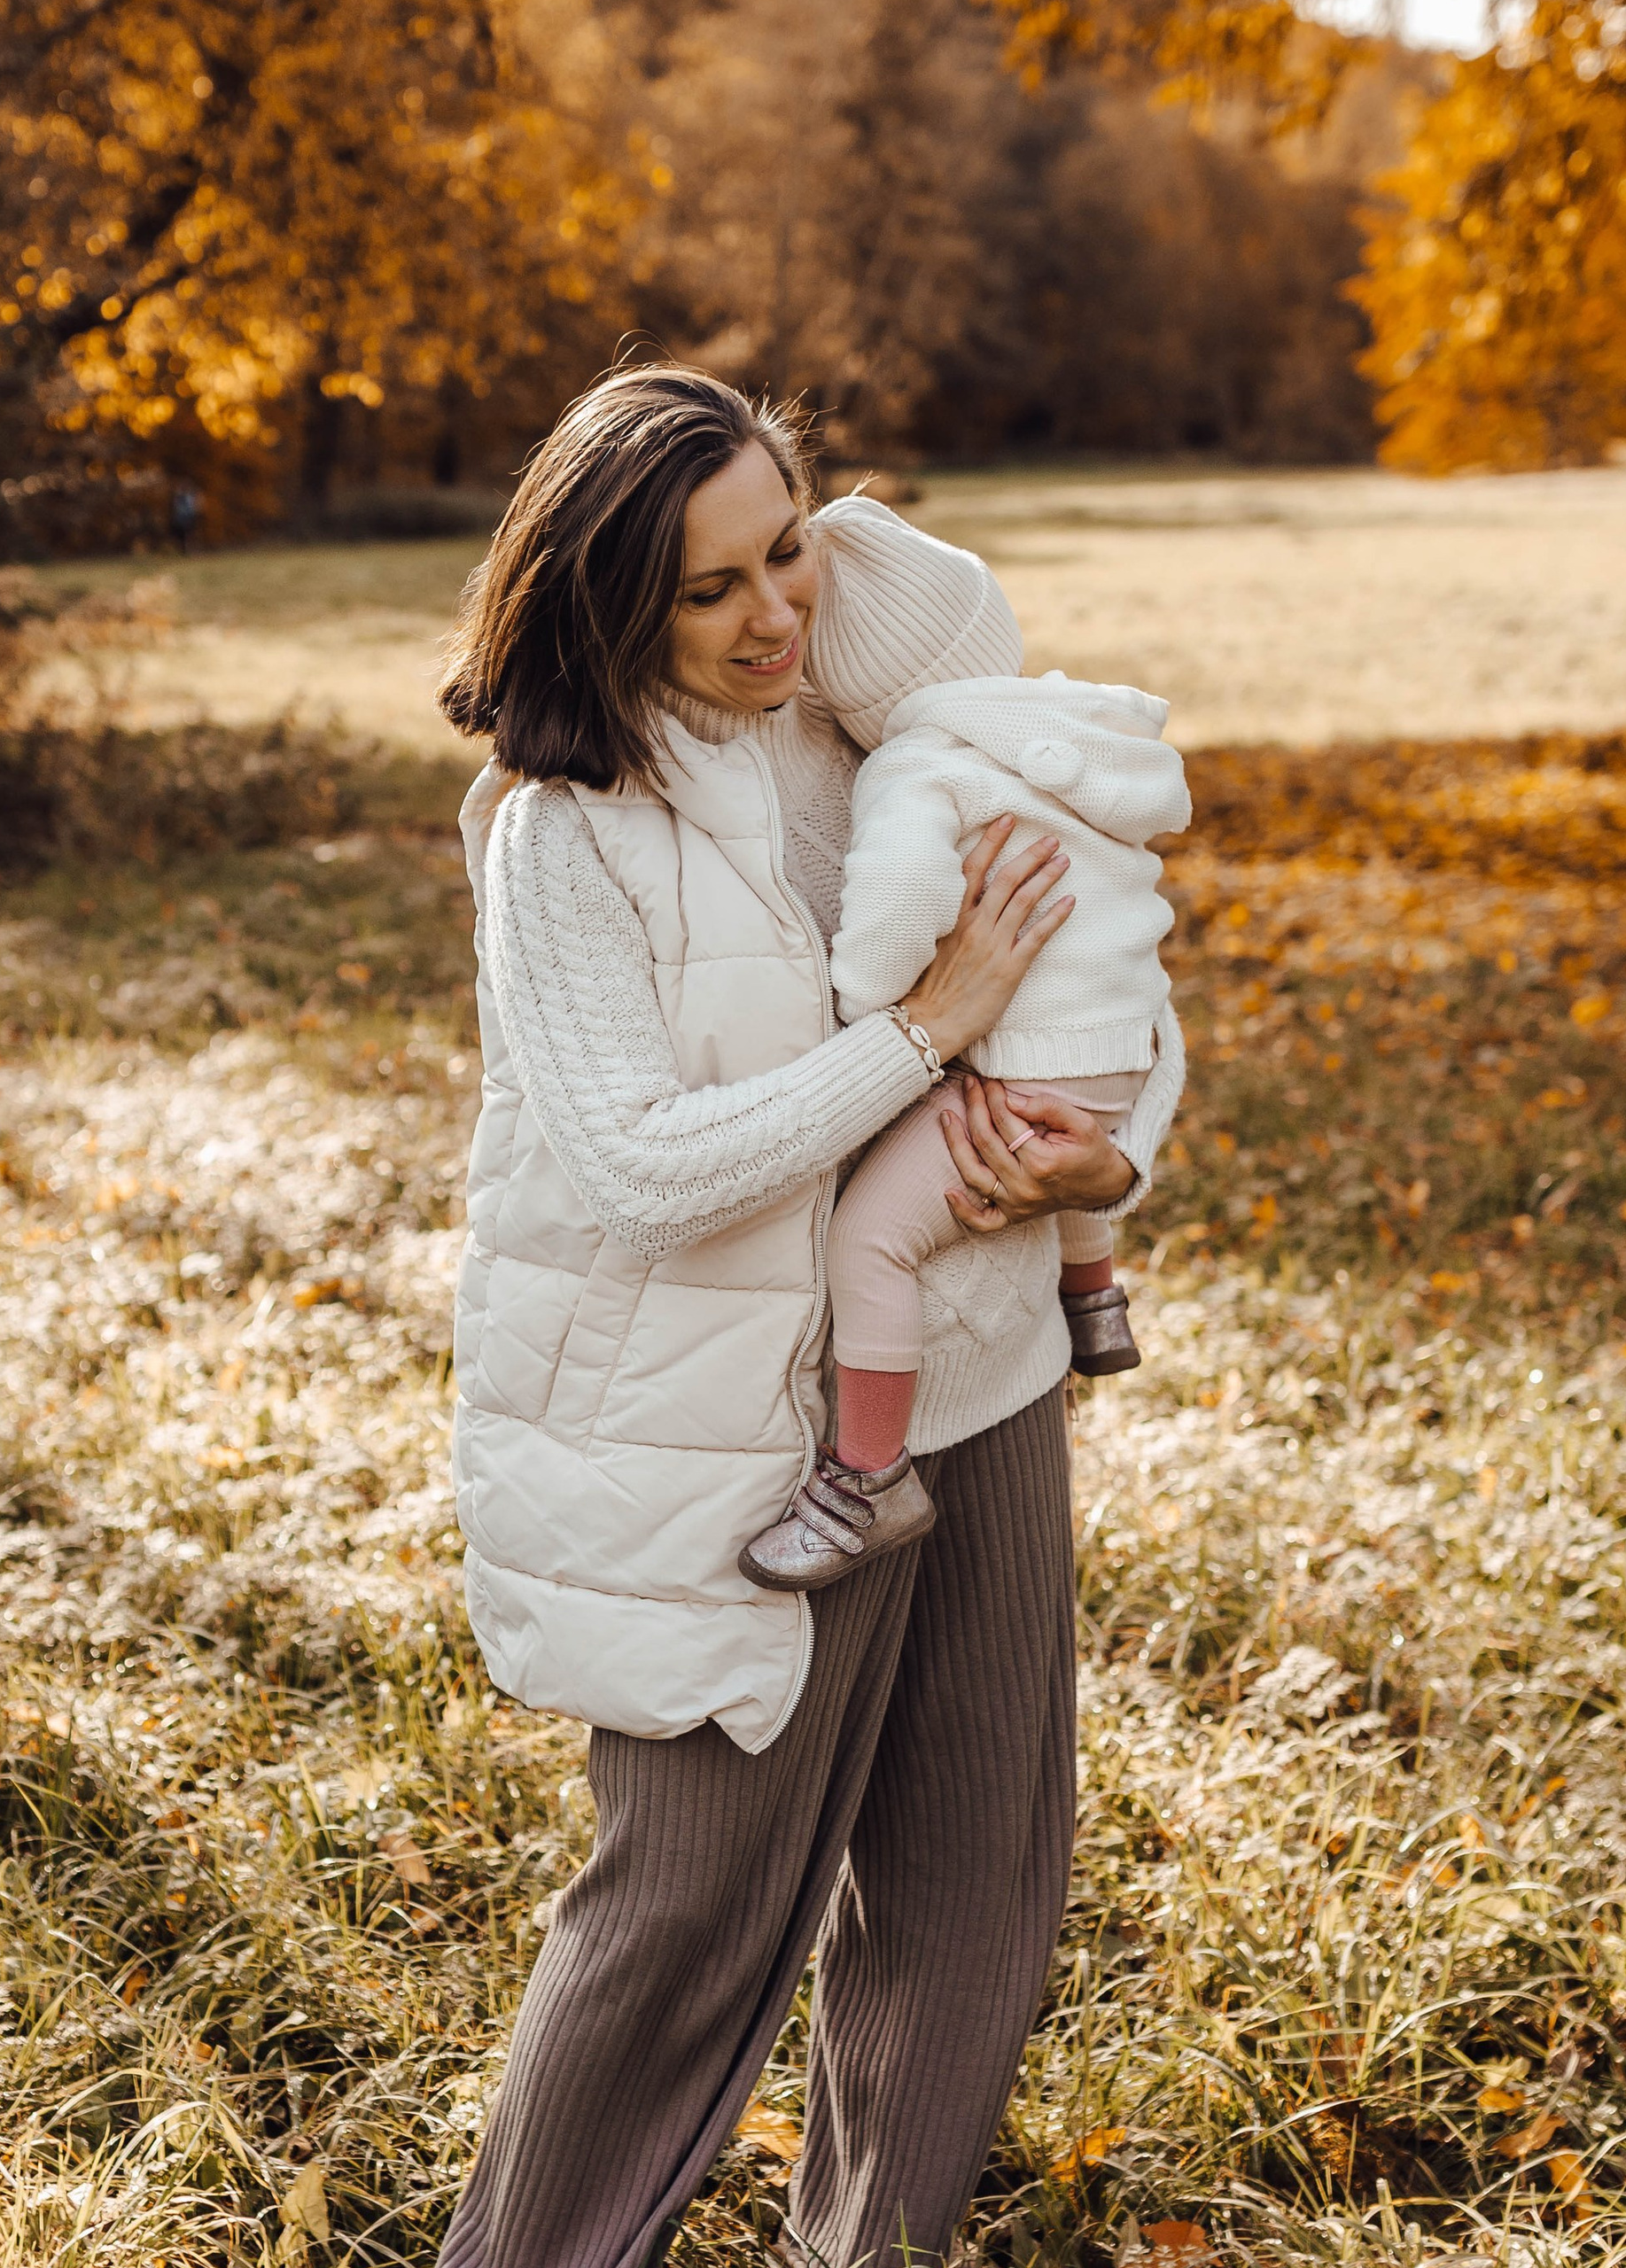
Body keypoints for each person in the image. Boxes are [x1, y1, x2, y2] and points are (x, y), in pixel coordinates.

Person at [434, 362, 1186, 2268]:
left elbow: (1108, 990)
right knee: (681, 1906)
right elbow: (646, 1164)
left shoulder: (892, 734)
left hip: (983, 1364)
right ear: (603, 598)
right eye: (707, 589)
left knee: (967, 1877)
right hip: (723, 1424)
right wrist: (922, 1025)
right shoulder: (562, 835)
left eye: (785, 553)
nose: (773, 615)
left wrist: (1106, 1168)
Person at [740, 494, 1190, 1592]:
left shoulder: (922, 761)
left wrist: (869, 1004)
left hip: (1022, 1061)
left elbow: (896, 899)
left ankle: (868, 1475)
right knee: (1063, 1138)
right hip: (1120, 1047)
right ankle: (1093, 1296)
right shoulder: (1078, 730)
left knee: (871, 1244)